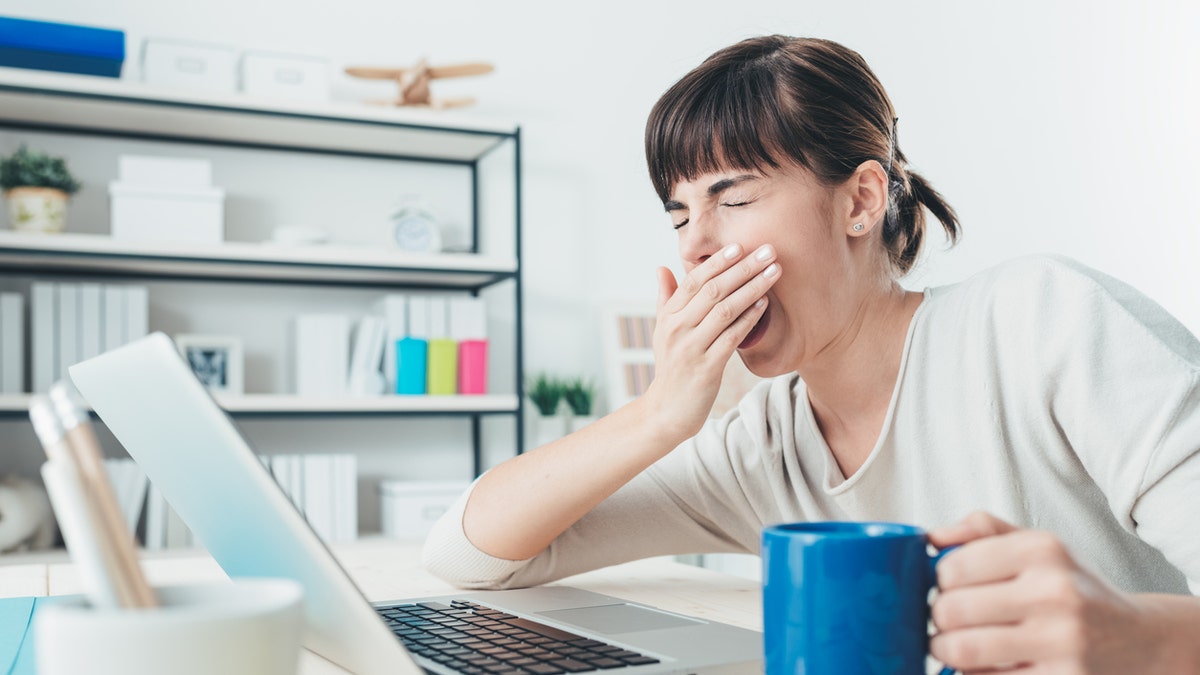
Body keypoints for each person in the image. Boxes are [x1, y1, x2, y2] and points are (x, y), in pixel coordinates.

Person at [424, 35, 1200, 672]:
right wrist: (658, 414)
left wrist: (1143, 639)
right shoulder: (761, 447)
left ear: (860, 200)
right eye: (678, 216)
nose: (696, 247)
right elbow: (472, 551)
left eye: (733, 199)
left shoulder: (1042, 321)